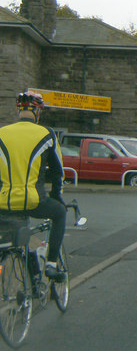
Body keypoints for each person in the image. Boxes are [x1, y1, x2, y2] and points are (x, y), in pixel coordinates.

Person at [0, 91, 67, 281]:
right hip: (34, 201)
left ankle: (28, 273)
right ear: (38, 111)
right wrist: (57, 196)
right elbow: (57, 172)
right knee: (59, 212)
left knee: (15, 236)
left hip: (4, 202)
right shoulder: (46, 134)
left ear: (18, 110)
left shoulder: (1, 133)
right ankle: (51, 264)